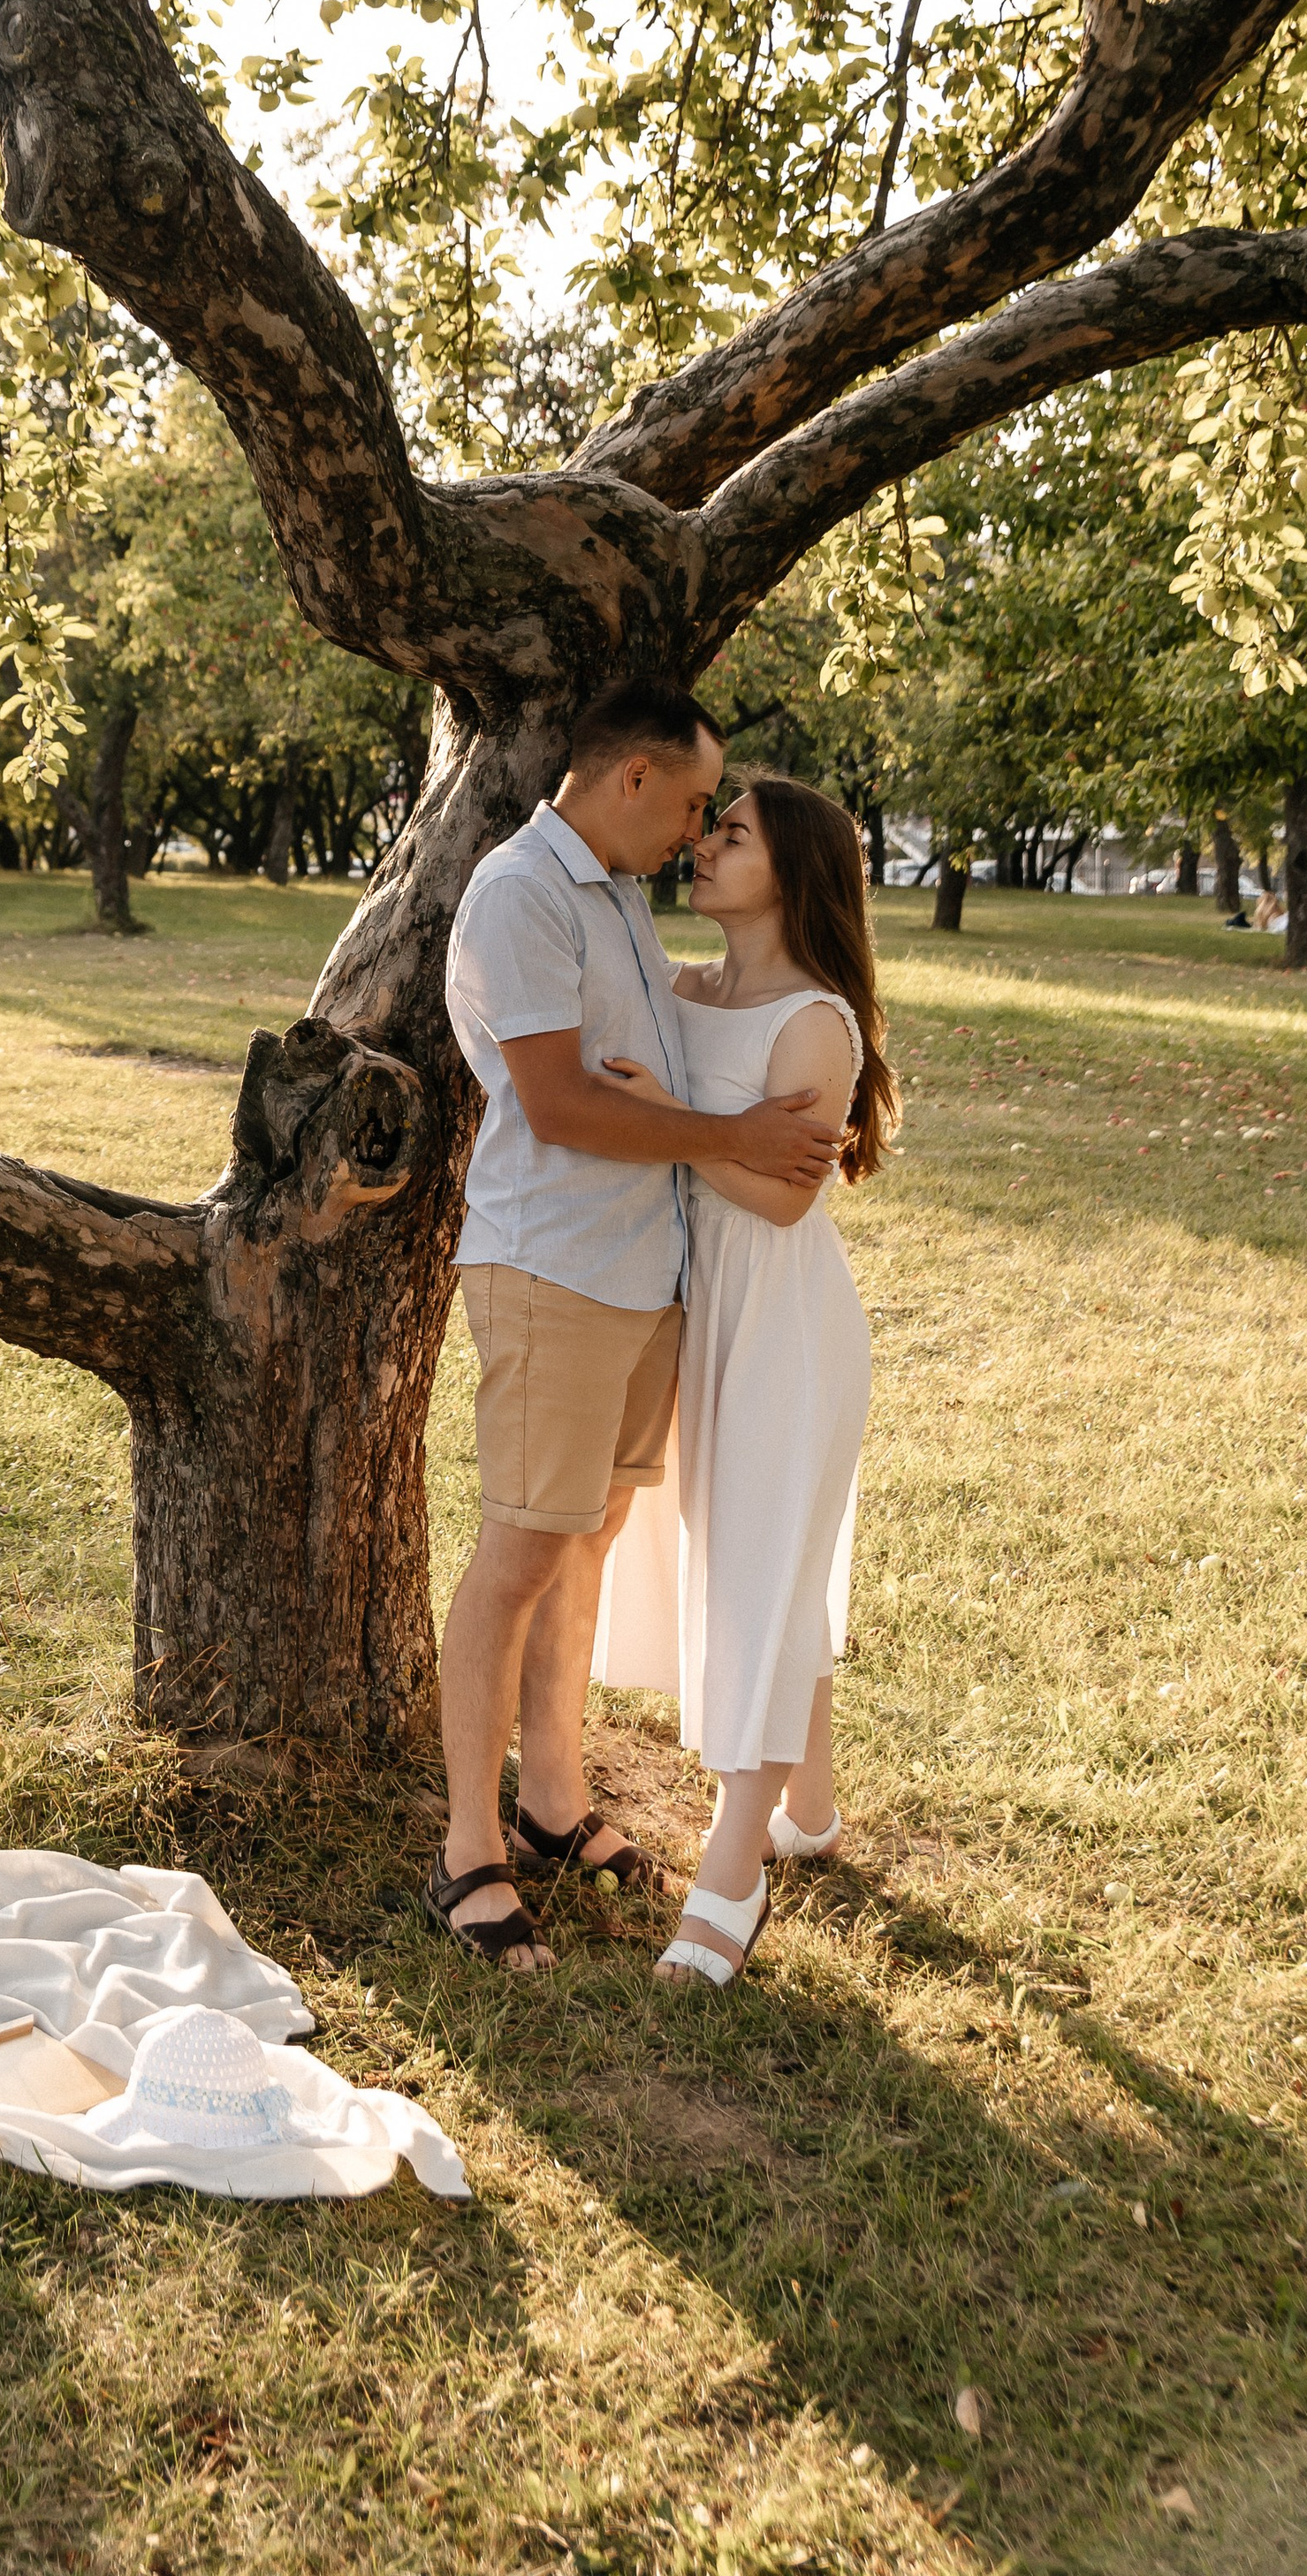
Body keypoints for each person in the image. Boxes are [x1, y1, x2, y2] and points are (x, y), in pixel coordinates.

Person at [425, 686, 847, 1972]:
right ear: (632, 779)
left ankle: (552, 1804)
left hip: (643, 1274)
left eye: (723, 819)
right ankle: (468, 1855)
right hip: (553, 1267)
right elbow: (558, 1104)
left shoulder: (615, 891)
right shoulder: (523, 894)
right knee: (519, 1553)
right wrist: (730, 1134)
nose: (696, 831)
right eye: (694, 803)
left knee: (585, 1546)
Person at [597, 777, 899, 1986]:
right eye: (709, 827)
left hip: (781, 1322)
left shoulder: (814, 1025)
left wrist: (667, 1118)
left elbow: (782, 1198)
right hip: (690, 1307)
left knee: (759, 1570)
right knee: (741, 1557)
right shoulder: (680, 989)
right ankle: (807, 1810)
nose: (704, 845)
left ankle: (735, 1869)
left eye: (733, 835)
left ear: (793, 874)